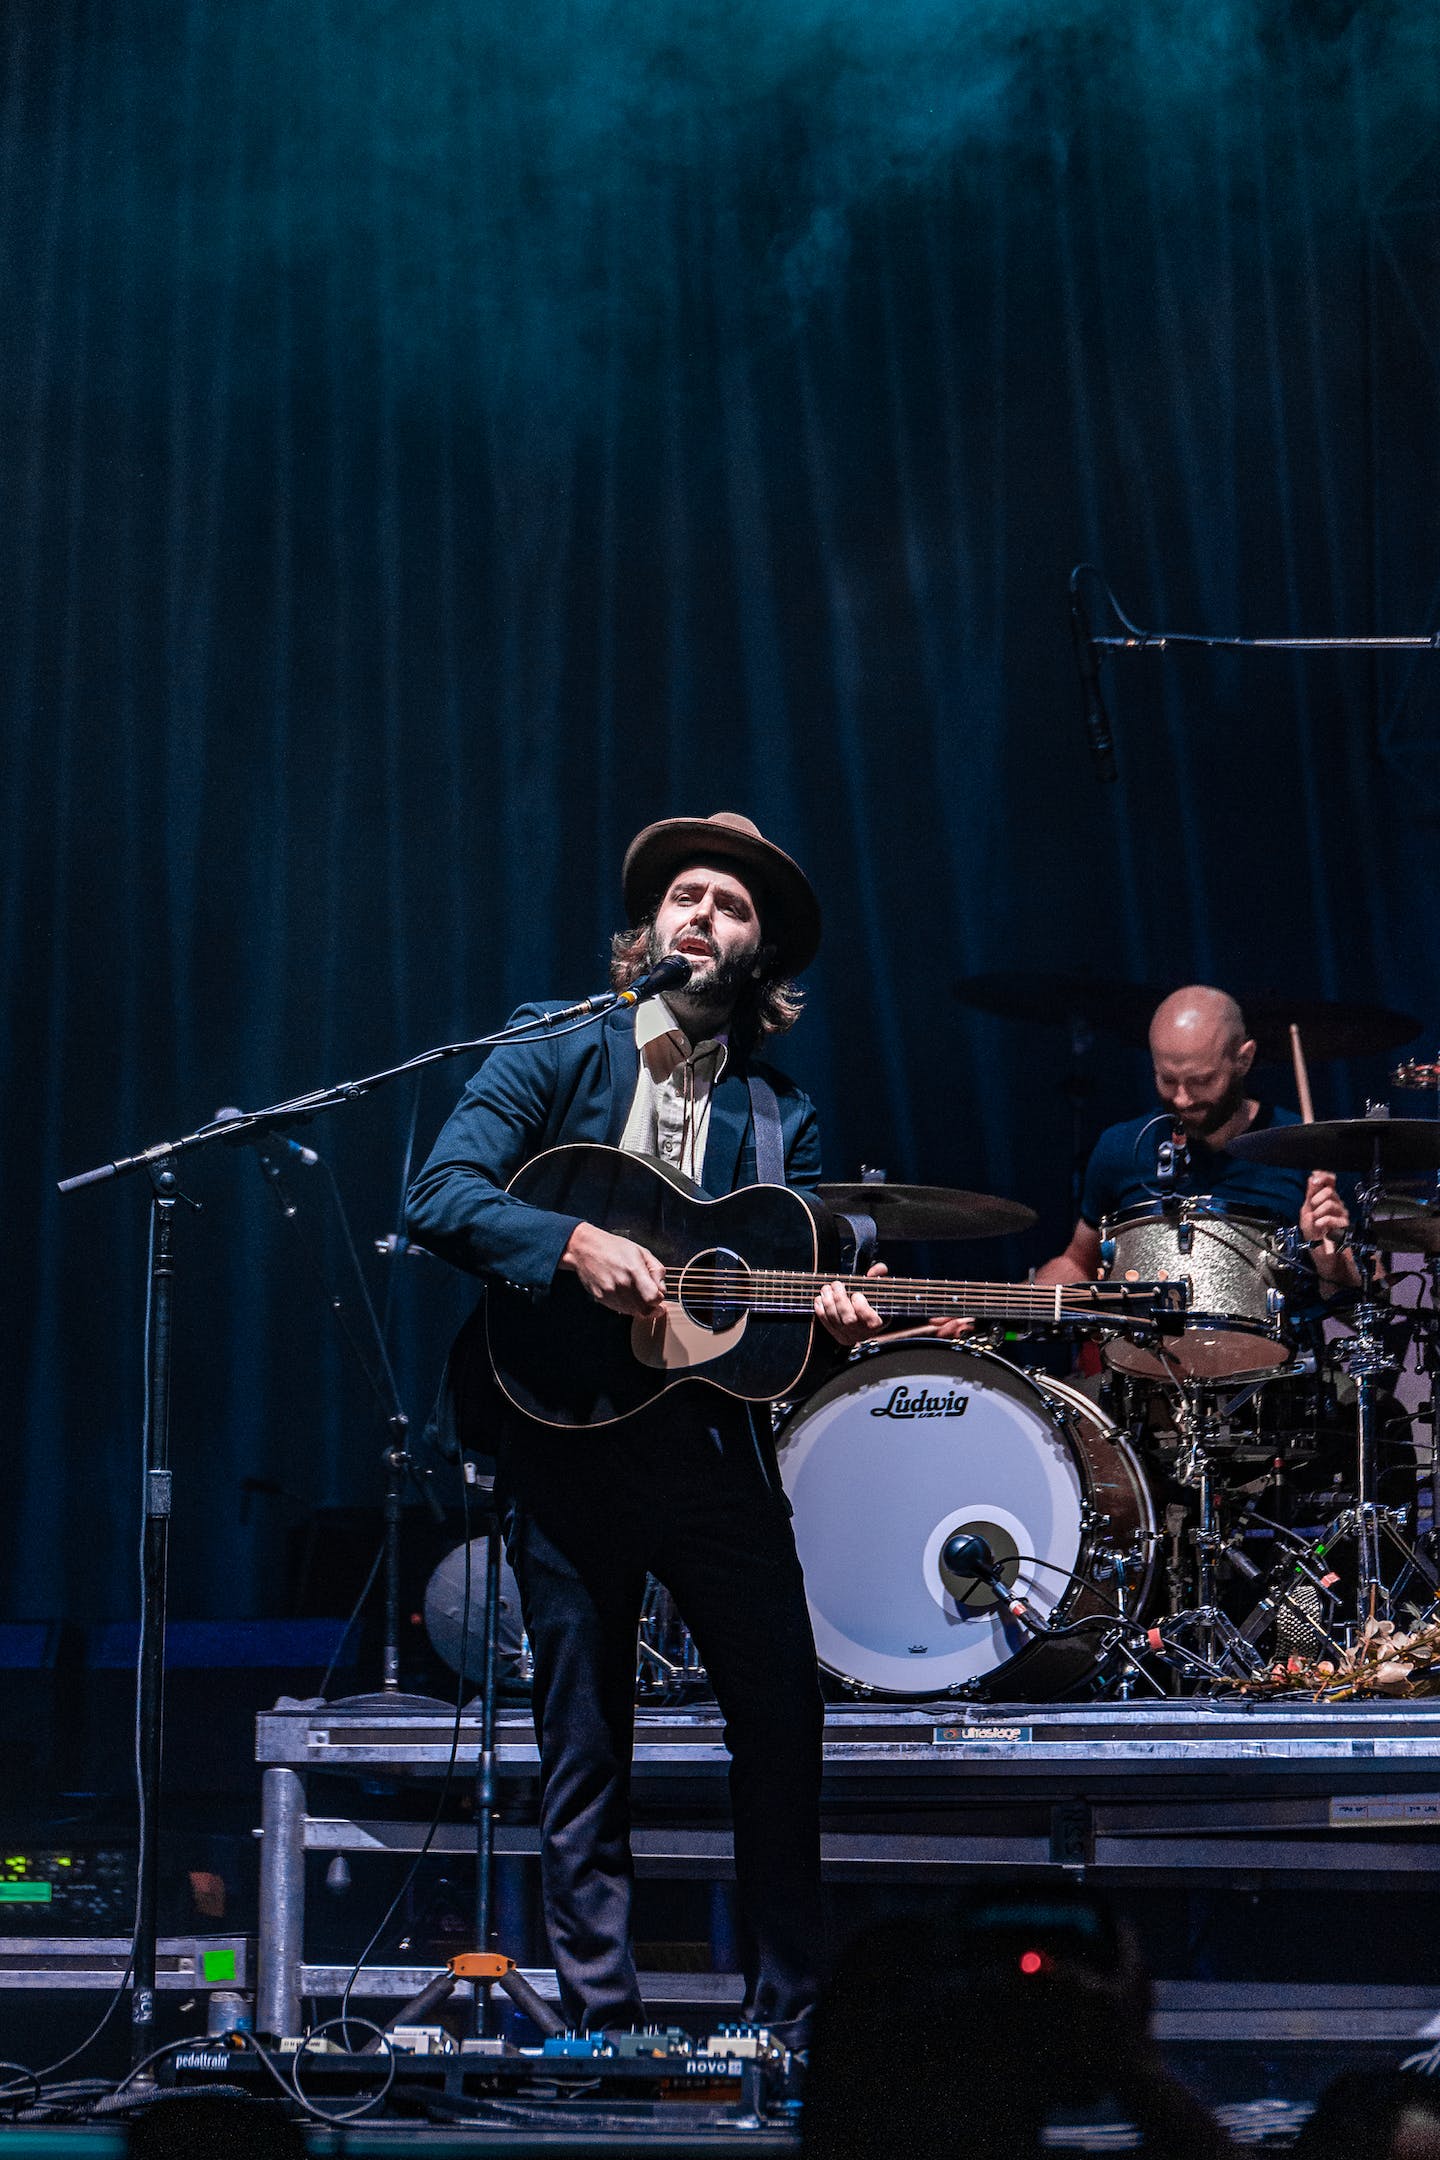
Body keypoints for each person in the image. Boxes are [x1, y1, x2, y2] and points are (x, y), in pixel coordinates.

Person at [405, 812, 883, 2043]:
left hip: (709, 1451)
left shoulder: (780, 1113)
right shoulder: (554, 1045)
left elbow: (772, 1299)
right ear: (651, 926)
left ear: (761, 954)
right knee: (583, 1744)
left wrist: (828, 1315)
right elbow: (439, 1195)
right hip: (564, 1431)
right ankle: (600, 2032)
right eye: (685, 896)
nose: (701, 916)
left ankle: (786, 2025)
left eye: (731, 906)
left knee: (781, 1723)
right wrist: (570, 1241)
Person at [1034, 985, 1355, 1290]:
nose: (1182, 1099)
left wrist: (1331, 1266)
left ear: (1243, 1059)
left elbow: (1359, 1297)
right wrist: (1018, 1304)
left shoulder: (1309, 1150)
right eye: (1167, 1079)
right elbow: (1079, 1262)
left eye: (1201, 1081)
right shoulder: (1121, 1148)